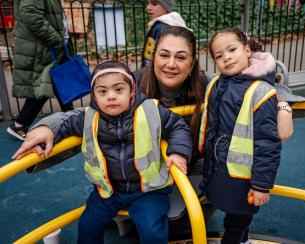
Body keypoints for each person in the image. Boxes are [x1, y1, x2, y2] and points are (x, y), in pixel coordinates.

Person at [16, 60, 192, 244]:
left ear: (131, 91)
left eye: (118, 90)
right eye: (102, 91)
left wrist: (178, 152)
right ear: (94, 95)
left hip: (148, 190)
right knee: (87, 226)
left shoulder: (151, 110)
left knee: (152, 231)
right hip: (108, 191)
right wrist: (47, 132)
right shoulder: (89, 117)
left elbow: (177, 126)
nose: (111, 96)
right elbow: (64, 126)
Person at [199, 28, 282, 244]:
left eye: (232, 49)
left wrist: (262, 185)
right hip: (222, 167)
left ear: (247, 50)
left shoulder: (260, 91)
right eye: (219, 55)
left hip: (246, 174)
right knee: (234, 213)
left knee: (237, 220)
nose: (226, 57)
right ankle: (243, 240)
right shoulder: (217, 83)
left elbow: (268, 143)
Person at [7, 0, 73, 141]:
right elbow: (32, 17)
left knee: (59, 84)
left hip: (52, 47)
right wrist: (56, 39)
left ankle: (72, 119)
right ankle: (19, 125)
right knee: (45, 86)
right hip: (44, 48)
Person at [141, 0, 187, 67]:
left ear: (166, 7)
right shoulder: (164, 24)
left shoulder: (161, 28)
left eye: (154, 4)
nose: (148, 7)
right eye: (147, 3)